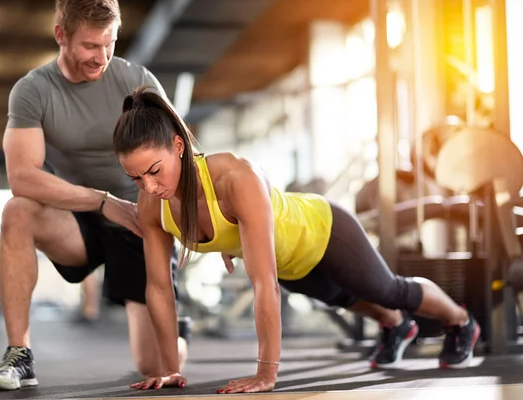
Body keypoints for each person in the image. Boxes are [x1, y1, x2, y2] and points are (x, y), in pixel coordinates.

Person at [111, 86, 480, 394]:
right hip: (290, 262)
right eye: (137, 178)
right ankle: (396, 325)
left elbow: (263, 283)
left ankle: (461, 321)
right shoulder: (152, 205)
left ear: (178, 146)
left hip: (322, 230)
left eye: (154, 171)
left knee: (388, 289)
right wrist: (171, 369)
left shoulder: (235, 177)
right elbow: (159, 289)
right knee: (344, 298)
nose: (150, 186)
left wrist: (266, 373)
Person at [0, 0, 190, 391]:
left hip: (139, 217)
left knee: (156, 364)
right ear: (61, 35)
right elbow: (22, 177)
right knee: (17, 211)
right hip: (80, 216)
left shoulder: (136, 80)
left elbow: (180, 158)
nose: (102, 57)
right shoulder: (33, 90)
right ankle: (19, 354)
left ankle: (178, 329)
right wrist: (103, 202)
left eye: (109, 43)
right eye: (91, 46)